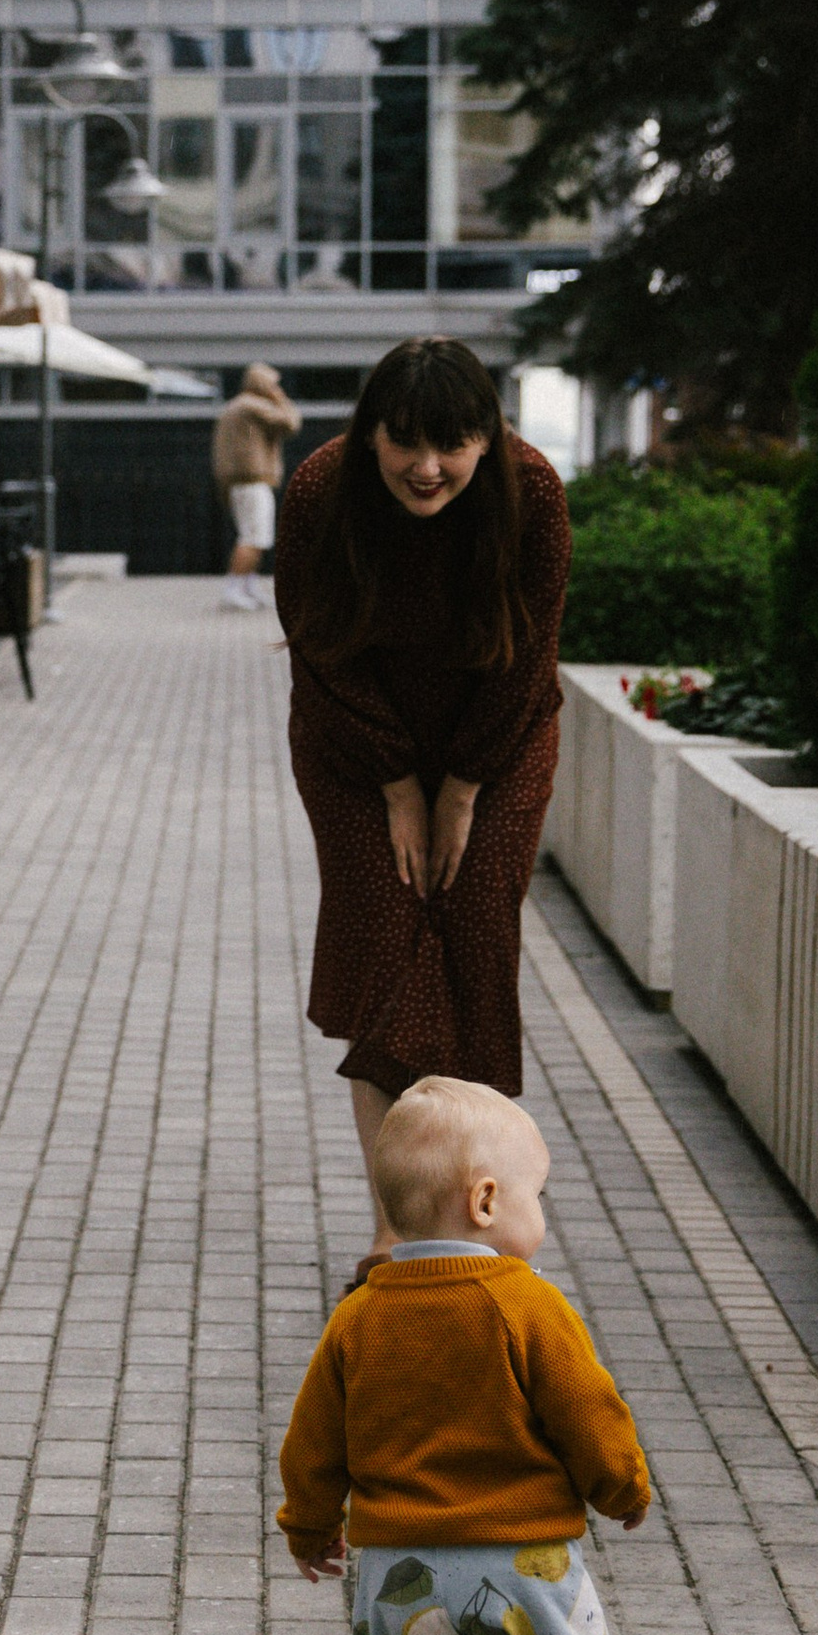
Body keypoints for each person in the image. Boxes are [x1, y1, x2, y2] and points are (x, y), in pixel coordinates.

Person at [277, 1074, 650, 1635]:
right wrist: (621, 1485)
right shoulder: (530, 1303)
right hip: (527, 1564)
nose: (540, 1214)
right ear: (486, 1200)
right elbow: (590, 1412)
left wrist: (308, 1527)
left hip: (398, 1576)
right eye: (536, 1194)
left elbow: (312, 1442)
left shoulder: (358, 1318)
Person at [276, 338, 570, 1253]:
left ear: (488, 436)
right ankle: (395, 1235)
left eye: (452, 444)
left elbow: (530, 656)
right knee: (388, 946)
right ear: (370, 438)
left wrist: (465, 786)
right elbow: (317, 645)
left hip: (499, 734)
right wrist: (399, 780)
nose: (428, 467)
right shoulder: (322, 492)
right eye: (405, 442)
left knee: (474, 929)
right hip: (354, 740)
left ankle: (470, 1224)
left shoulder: (535, 494)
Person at [211, 360, 302, 609]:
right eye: (273, 384)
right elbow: (291, 423)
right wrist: (280, 398)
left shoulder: (237, 406)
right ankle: (233, 589)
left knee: (255, 535)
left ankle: (247, 586)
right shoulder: (253, 406)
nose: (276, 388)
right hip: (252, 480)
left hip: (241, 481)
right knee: (253, 537)